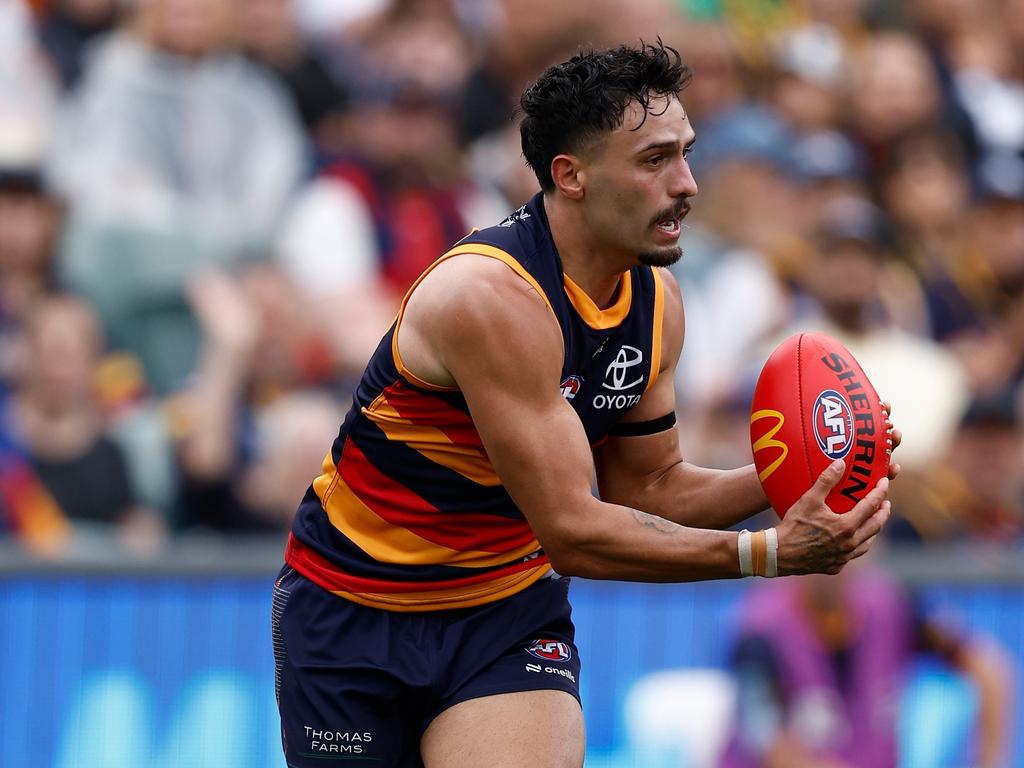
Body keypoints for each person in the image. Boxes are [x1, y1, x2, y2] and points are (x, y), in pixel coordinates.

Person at [271, 42, 897, 768]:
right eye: (655, 160)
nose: (688, 184)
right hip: (354, 610)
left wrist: (809, 470)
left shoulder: (656, 300)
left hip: (503, 613)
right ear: (571, 176)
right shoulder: (489, 298)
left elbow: (648, 488)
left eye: (687, 154)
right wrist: (767, 554)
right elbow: (573, 530)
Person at [718, 562, 1012, 768]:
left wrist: (988, 761)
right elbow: (768, 746)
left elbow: (987, 666)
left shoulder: (892, 606)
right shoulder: (758, 630)